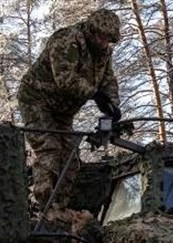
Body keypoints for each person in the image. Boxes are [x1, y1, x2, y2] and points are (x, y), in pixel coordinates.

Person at [17, 8, 122, 218]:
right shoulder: (67, 39)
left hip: (63, 112)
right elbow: (65, 79)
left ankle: (60, 209)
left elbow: (108, 81)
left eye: (108, 39)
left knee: (70, 159)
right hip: (37, 100)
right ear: (91, 31)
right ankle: (44, 209)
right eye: (101, 37)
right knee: (49, 149)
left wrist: (113, 108)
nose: (103, 42)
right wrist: (95, 95)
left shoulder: (104, 53)